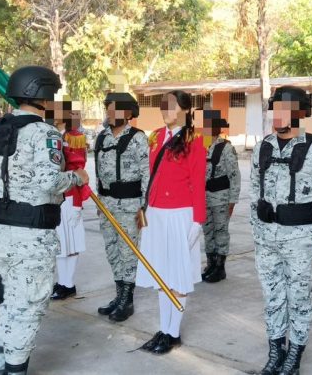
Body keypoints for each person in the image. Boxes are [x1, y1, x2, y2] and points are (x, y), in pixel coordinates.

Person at [0, 66, 89, 375]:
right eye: (52, 95)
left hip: (0, 231)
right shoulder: (44, 133)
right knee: (29, 306)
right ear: (40, 94)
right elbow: (48, 182)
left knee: (12, 302)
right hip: (30, 233)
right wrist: (77, 176)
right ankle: (15, 370)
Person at [250, 86, 312, 375]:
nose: (277, 116)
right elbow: (255, 192)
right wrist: (256, 229)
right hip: (266, 239)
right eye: (275, 109)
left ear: (300, 113)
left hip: (301, 239)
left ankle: (295, 356)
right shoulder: (262, 147)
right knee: (272, 297)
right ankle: (276, 351)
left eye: (285, 110)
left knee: (299, 299)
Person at [136, 90, 206, 355]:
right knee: (161, 273)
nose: (165, 110)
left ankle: (173, 333)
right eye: (163, 105)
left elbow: (198, 180)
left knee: (177, 274)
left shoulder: (195, 139)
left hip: (180, 214)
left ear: (186, 109)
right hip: (156, 213)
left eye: (171, 106)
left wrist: (198, 220)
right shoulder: (155, 136)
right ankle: (163, 328)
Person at [94, 92, 149, 322]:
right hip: (106, 204)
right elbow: (98, 171)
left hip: (129, 205)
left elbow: (147, 173)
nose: (109, 112)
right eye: (108, 108)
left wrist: (144, 207)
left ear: (127, 113)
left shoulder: (138, 138)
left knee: (128, 252)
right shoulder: (101, 137)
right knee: (112, 250)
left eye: (114, 108)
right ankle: (118, 295)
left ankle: (127, 299)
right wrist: (99, 200)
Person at [49, 100, 90, 301]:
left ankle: (68, 283)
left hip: (71, 195)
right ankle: (63, 282)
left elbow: (79, 170)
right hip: (55, 195)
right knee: (60, 243)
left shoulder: (75, 137)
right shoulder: (51, 133)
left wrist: (77, 204)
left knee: (70, 242)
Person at [200, 109, 240, 283]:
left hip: (221, 197)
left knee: (221, 231)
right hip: (204, 197)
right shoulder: (201, 147)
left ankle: (220, 267)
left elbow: (234, 175)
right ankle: (210, 264)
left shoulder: (226, 148)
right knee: (207, 231)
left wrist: (232, 201)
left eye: (209, 127)